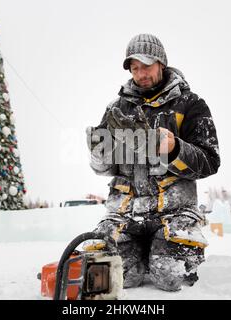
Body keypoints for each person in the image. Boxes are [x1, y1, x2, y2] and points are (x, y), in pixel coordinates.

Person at [86, 34, 220, 291]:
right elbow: (105, 169)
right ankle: (142, 253)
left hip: (174, 213)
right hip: (124, 213)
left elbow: (210, 161)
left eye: (146, 66)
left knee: (169, 278)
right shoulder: (117, 108)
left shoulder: (191, 104)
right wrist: (99, 154)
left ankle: (160, 252)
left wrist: (173, 149)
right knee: (114, 279)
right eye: (134, 68)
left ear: (161, 63)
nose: (141, 74)